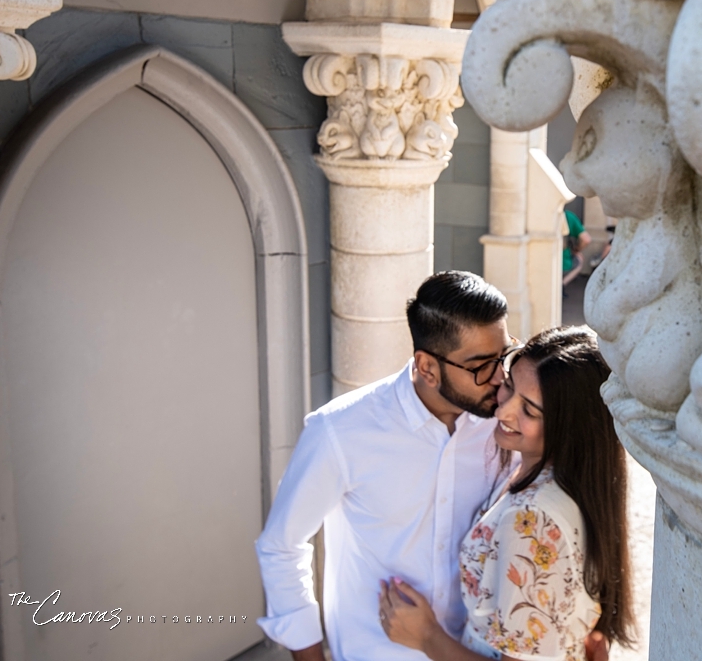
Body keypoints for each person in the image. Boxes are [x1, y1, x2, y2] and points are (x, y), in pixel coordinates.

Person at [255, 271, 515, 661]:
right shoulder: (341, 430)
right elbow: (281, 546)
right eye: (481, 365)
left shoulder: (504, 422)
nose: (499, 378)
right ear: (427, 367)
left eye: (503, 356)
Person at [378, 326, 635, 661]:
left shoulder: (531, 521)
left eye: (529, 410)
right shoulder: (564, 481)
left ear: (570, 426)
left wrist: (426, 636)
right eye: (509, 386)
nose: (503, 411)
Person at [562, 209, 592, 287]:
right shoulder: (568, 216)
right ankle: (561, 285)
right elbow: (586, 240)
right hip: (564, 262)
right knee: (579, 261)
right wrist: (576, 251)